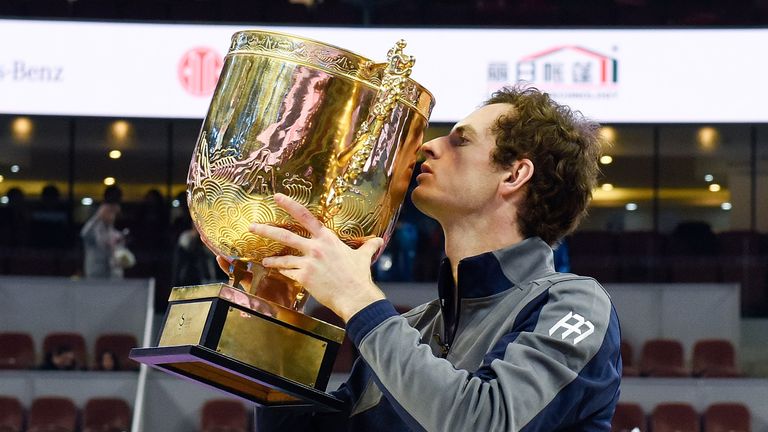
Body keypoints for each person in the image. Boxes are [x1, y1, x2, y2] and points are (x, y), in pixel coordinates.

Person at [219, 86, 622, 431]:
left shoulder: (573, 303)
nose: (430, 145)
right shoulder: (410, 327)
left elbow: (484, 422)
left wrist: (357, 298)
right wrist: (274, 318)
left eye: (460, 140)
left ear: (514, 175)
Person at [80, 186, 132, 279]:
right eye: (108, 211)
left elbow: (124, 257)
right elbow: (84, 234)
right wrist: (98, 216)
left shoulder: (117, 235)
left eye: (113, 213)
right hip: (95, 276)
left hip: (114, 277)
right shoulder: (93, 232)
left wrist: (124, 258)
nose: (111, 215)